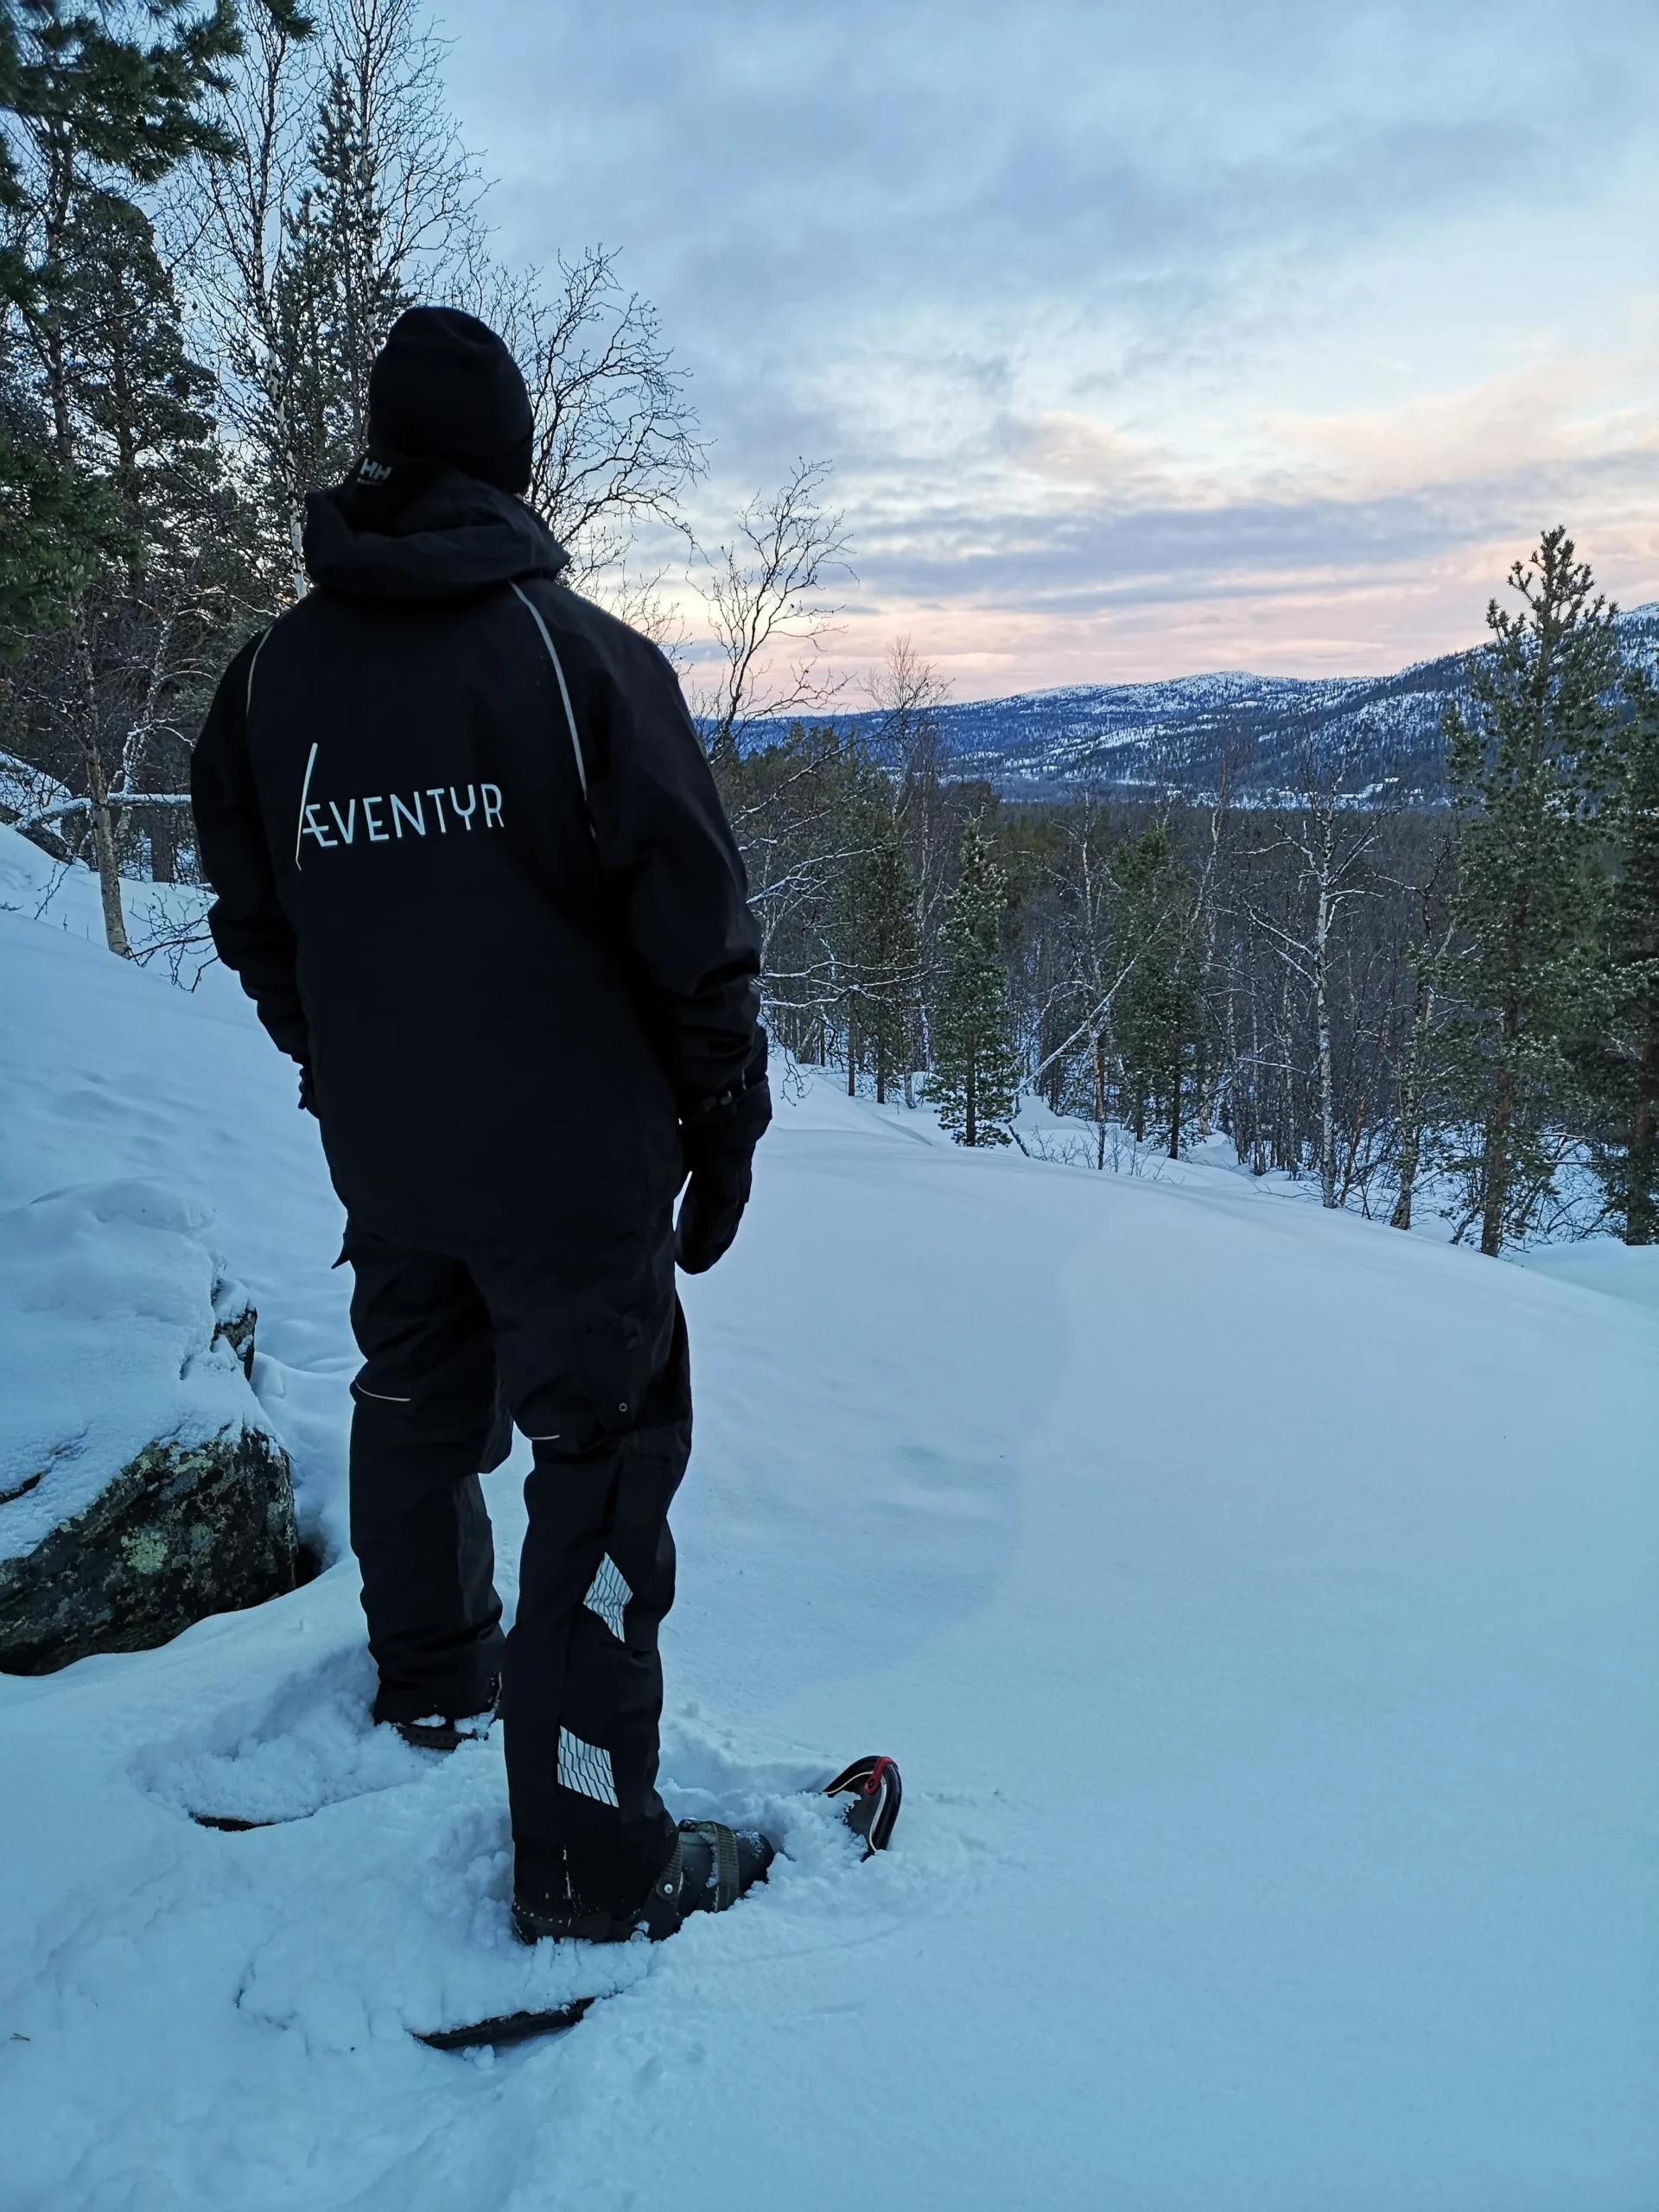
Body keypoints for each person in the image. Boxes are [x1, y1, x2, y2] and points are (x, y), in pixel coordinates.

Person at [190, 306, 772, 1944]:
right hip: (575, 1177)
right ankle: (590, 1861)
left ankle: (437, 1676)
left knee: (414, 1397)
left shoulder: (268, 680)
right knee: (601, 1464)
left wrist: (343, 1064)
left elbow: (255, 919)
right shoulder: (578, 661)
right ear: (510, 462)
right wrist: (725, 1118)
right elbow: (695, 925)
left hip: (396, 1158)